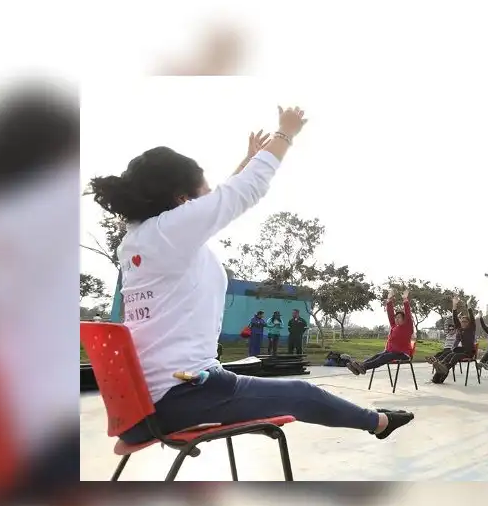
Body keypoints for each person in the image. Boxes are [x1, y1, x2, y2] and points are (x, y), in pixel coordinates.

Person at [87, 107, 413, 445]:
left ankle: (378, 420)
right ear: (182, 200)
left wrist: (245, 162)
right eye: (203, 192)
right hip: (182, 396)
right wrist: (285, 134)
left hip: (150, 403)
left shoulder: (143, 238)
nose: (208, 200)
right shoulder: (170, 232)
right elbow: (239, 194)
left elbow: (212, 205)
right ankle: (380, 422)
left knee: (284, 390)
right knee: (301, 393)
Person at [346, 290, 414, 374]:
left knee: (385, 356)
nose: (396, 319)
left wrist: (405, 299)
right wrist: (389, 300)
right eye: (396, 317)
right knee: (377, 356)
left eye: (399, 317)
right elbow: (390, 314)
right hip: (391, 352)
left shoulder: (407, 327)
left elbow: (408, 313)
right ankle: (359, 367)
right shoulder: (394, 326)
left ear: (404, 320)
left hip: (403, 354)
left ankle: (364, 367)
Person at [431, 296, 475, 384]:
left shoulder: (471, 329)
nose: (463, 323)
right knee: (449, 355)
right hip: (460, 350)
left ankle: (444, 368)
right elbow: (455, 317)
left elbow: (472, 318)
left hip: (469, 352)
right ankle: (438, 374)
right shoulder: (459, 328)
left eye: (465, 321)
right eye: (462, 321)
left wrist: (469, 305)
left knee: (454, 357)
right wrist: (454, 305)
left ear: (469, 323)